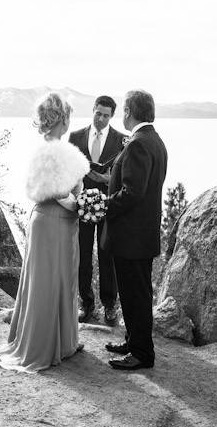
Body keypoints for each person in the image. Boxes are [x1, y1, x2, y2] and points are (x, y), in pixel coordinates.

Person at [0, 92, 90, 373]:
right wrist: (82, 207)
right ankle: (53, 345)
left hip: (41, 219)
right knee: (56, 281)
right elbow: (61, 192)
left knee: (43, 281)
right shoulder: (60, 151)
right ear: (62, 119)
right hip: (57, 221)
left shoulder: (40, 150)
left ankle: (60, 341)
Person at [102, 90, 168, 371]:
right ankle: (133, 340)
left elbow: (132, 193)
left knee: (135, 295)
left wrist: (105, 204)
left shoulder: (139, 144)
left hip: (131, 238)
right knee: (134, 294)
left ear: (128, 111)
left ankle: (141, 352)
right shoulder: (154, 140)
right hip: (140, 236)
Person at [68, 96, 126, 325]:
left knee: (107, 255)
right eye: (98, 113)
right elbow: (70, 169)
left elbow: (124, 177)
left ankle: (110, 306)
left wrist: (110, 178)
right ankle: (86, 303)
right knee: (82, 254)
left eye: (106, 115)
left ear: (112, 116)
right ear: (93, 110)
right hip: (82, 203)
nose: (101, 118)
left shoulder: (122, 140)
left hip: (108, 202)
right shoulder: (75, 137)